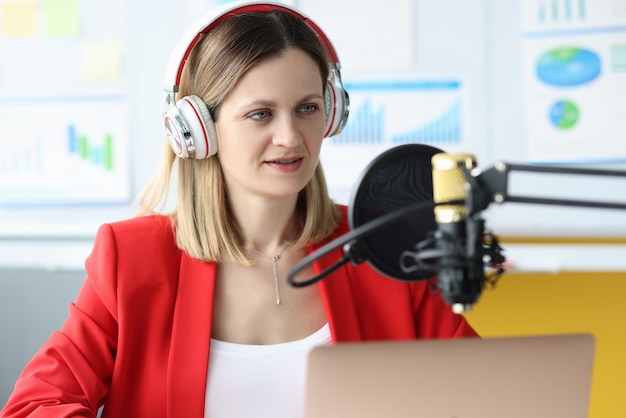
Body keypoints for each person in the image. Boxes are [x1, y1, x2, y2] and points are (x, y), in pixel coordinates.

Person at [0, 2, 478, 417]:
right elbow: (33, 406)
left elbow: (485, 390)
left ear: (332, 113)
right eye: (260, 113)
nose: (291, 137)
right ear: (197, 130)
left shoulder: (383, 243)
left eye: (308, 108)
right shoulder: (131, 259)